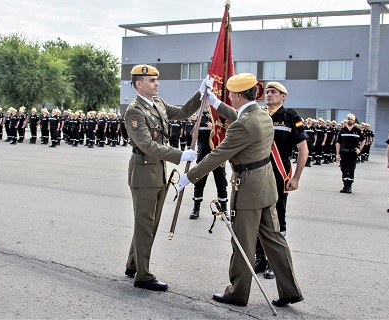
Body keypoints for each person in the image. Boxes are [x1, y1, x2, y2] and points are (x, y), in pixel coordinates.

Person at [178, 73, 303, 308]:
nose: (230, 98)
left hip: (248, 187)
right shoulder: (262, 115)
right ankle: (290, 289)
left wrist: (189, 176)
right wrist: (215, 102)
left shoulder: (245, 124)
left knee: (242, 241)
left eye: (229, 95)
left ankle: (237, 292)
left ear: (237, 95)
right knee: (274, 239)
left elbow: (217, 155)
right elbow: (241, 117)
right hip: (266, 185)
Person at [123, 64, 207, 291]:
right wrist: (180, 155)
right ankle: (143, 275)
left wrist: (200, 94)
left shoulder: (157, 103)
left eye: (156, 80)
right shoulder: (134, 111)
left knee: (148, 223)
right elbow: (146, 144)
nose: (157, 84)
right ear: (139, 84)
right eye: (152, 81)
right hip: (143, 173)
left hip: (158, 171)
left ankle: (133, 264)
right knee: (145, 225)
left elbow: (181, 113)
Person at [254, 82, 308, 279]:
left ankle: (273, 262)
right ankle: (259, 257)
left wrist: (295, 178)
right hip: (258, 175)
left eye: (273, 92)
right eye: (267, 92)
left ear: (283, 96)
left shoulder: (290, 117)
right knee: (258, 216)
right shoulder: (259, 115)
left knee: (277, 218)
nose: (268, 95)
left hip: (279, 174)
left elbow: (303, 149)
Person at [189, 110, 229, 220]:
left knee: (221, 183)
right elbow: (194, 136)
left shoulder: (219, 118)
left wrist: (214, 128)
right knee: (199, 182)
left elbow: (227, 134)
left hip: (218, 155)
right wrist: (197, 123)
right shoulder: (200, 118)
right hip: (203, 156)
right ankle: (196, 208)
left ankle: (224, 210)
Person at [335, 113, 365, 193]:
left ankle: (349, 186)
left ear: (354, 121)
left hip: (352, 153)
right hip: (344, 153)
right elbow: (338, 143)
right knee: (344, 169)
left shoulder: (357, 130)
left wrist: (360, 149)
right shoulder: (342, 130)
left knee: (351, 170)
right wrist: (337, 154)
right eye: (348, 119)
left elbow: (363, 140)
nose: (349, 120)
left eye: (351, 119)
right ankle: (345, 186)